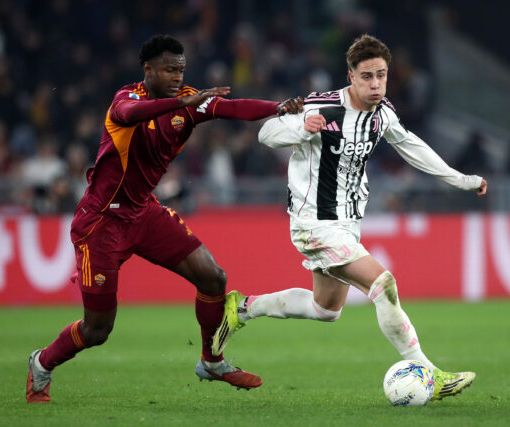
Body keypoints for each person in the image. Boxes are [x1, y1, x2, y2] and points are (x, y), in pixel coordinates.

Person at [26, 34, 303, 403]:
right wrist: (181, 102)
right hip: (101, 223)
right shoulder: (127, 99)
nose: (177, 77)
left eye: (181, 70)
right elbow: (128, 115)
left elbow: (234, 108)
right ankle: (42, 362)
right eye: (170, 70)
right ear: (148, 70)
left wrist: (278, 107)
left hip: (144, 213)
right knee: (98, 329)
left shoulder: (190, 102)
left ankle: (211, 360)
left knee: (213, 277)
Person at [212, 34, 488, 401]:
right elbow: (267, 132)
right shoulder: (321, 106)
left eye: (381, 76)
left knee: (325, 309)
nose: (375, 84)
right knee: (383, 284)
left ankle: (243, 307)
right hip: (315, 222)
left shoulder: (383, 112)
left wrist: (460, 179)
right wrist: (300, 127)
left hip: (346, 223)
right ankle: (430, 373)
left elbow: (412, 147)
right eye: (367, 76)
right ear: (351, 77)